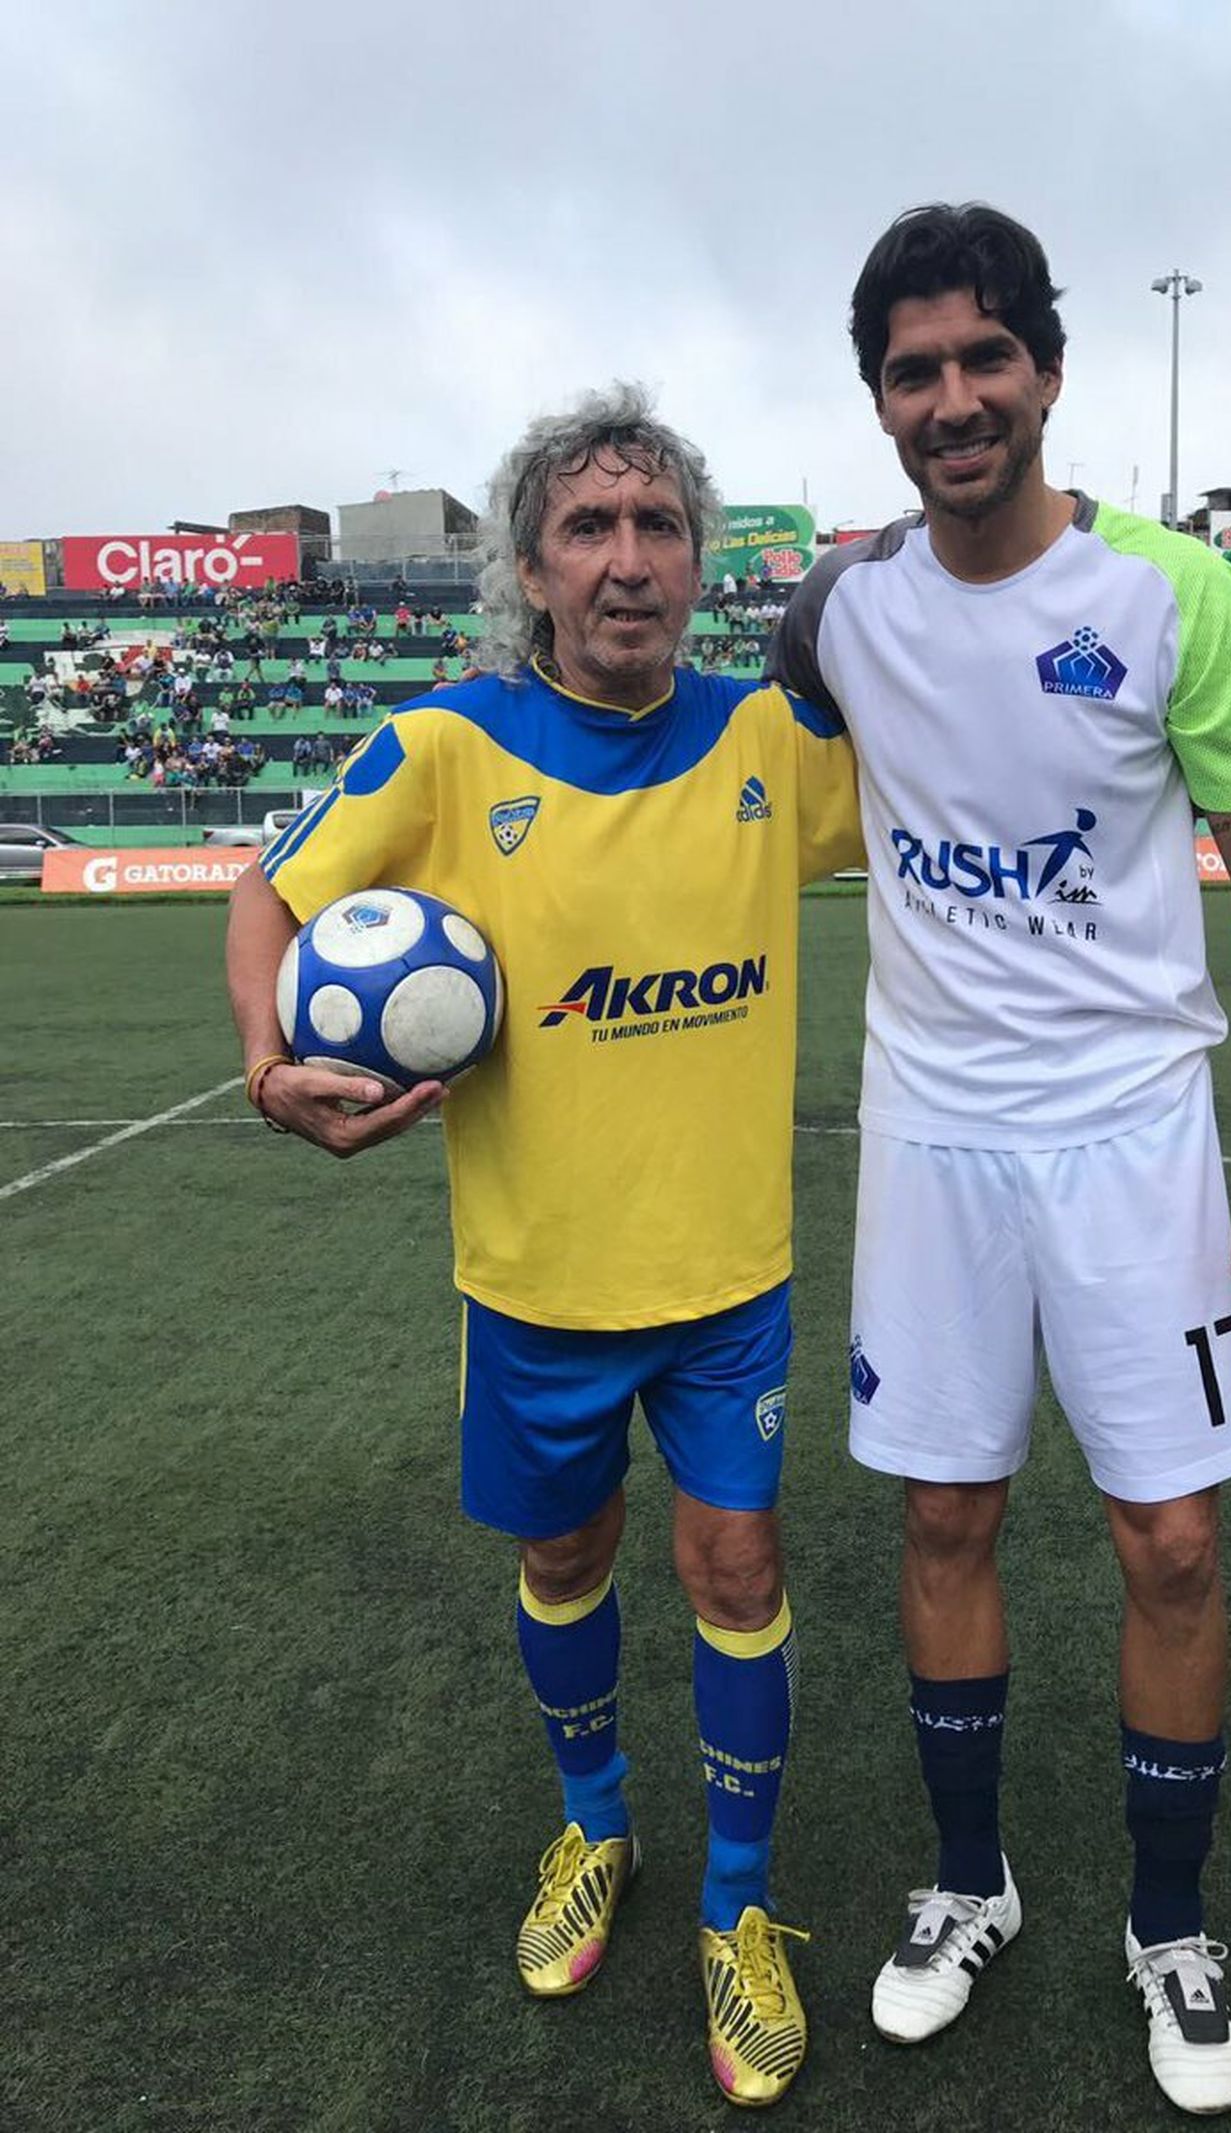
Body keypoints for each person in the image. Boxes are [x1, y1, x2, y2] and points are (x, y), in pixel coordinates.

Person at [225, 385, 861, 2109]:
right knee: (567, 1565)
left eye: (658, 526)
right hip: (535, 1290)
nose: (630, 560)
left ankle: (738, 1909)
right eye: (591, 527)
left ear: (697, 561)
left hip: (727, 1282)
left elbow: (955, 788)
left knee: (736, 1572)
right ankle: (596, 1831)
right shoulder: (441, 748)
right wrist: (268, 1060)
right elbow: (271, 894)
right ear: (530, 568)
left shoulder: (773, 741)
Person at [766, 202, 1231, 2118]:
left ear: (1048, 373)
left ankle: (1169, 1923)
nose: (955, 399)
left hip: (1134, 1150)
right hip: (933, 1142)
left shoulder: (1171, 595)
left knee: (1170, 1537)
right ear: (881, 405)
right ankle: (965, 1881)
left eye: (984, 357)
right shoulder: (841, 614)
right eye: (915, 372)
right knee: (944, 1523)